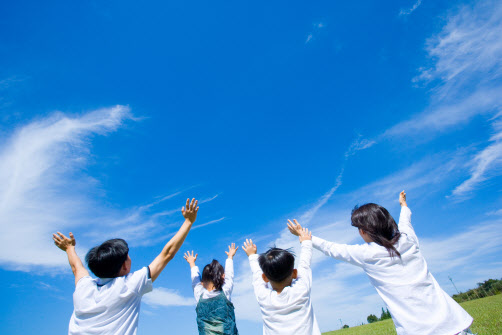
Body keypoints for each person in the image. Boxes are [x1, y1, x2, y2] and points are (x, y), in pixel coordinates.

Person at [288, 191, 474, 335]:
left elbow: (331, 248)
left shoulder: (367, 254)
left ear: (365, 231)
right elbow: (405, 222)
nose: (359, 233)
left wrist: (305, 237)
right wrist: (403, 205)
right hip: (456, 323)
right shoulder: (409, 241)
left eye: (360, 228)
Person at [52, 198, 199, 335]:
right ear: (124, 267)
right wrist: (188, 222)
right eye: (127, 256)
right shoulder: (129, 286)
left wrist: (69, 249)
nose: (130, 257)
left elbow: (77, 268)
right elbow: (167, 254)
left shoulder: (84, 288)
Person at [242, 228, 321, 335]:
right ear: (294, 273)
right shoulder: (301, 289)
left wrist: (252, 255)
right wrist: (306, 241)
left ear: (264, 278)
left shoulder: (263, 297)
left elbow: (257, 275)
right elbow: (304, 264)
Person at [183, 243, 239, 335]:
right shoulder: (225, 291)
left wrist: (192, 263)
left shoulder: (199, 295)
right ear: (222, 277)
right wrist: (230, 257)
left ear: (202, 282)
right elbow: (230, 275)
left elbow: (195, 280)